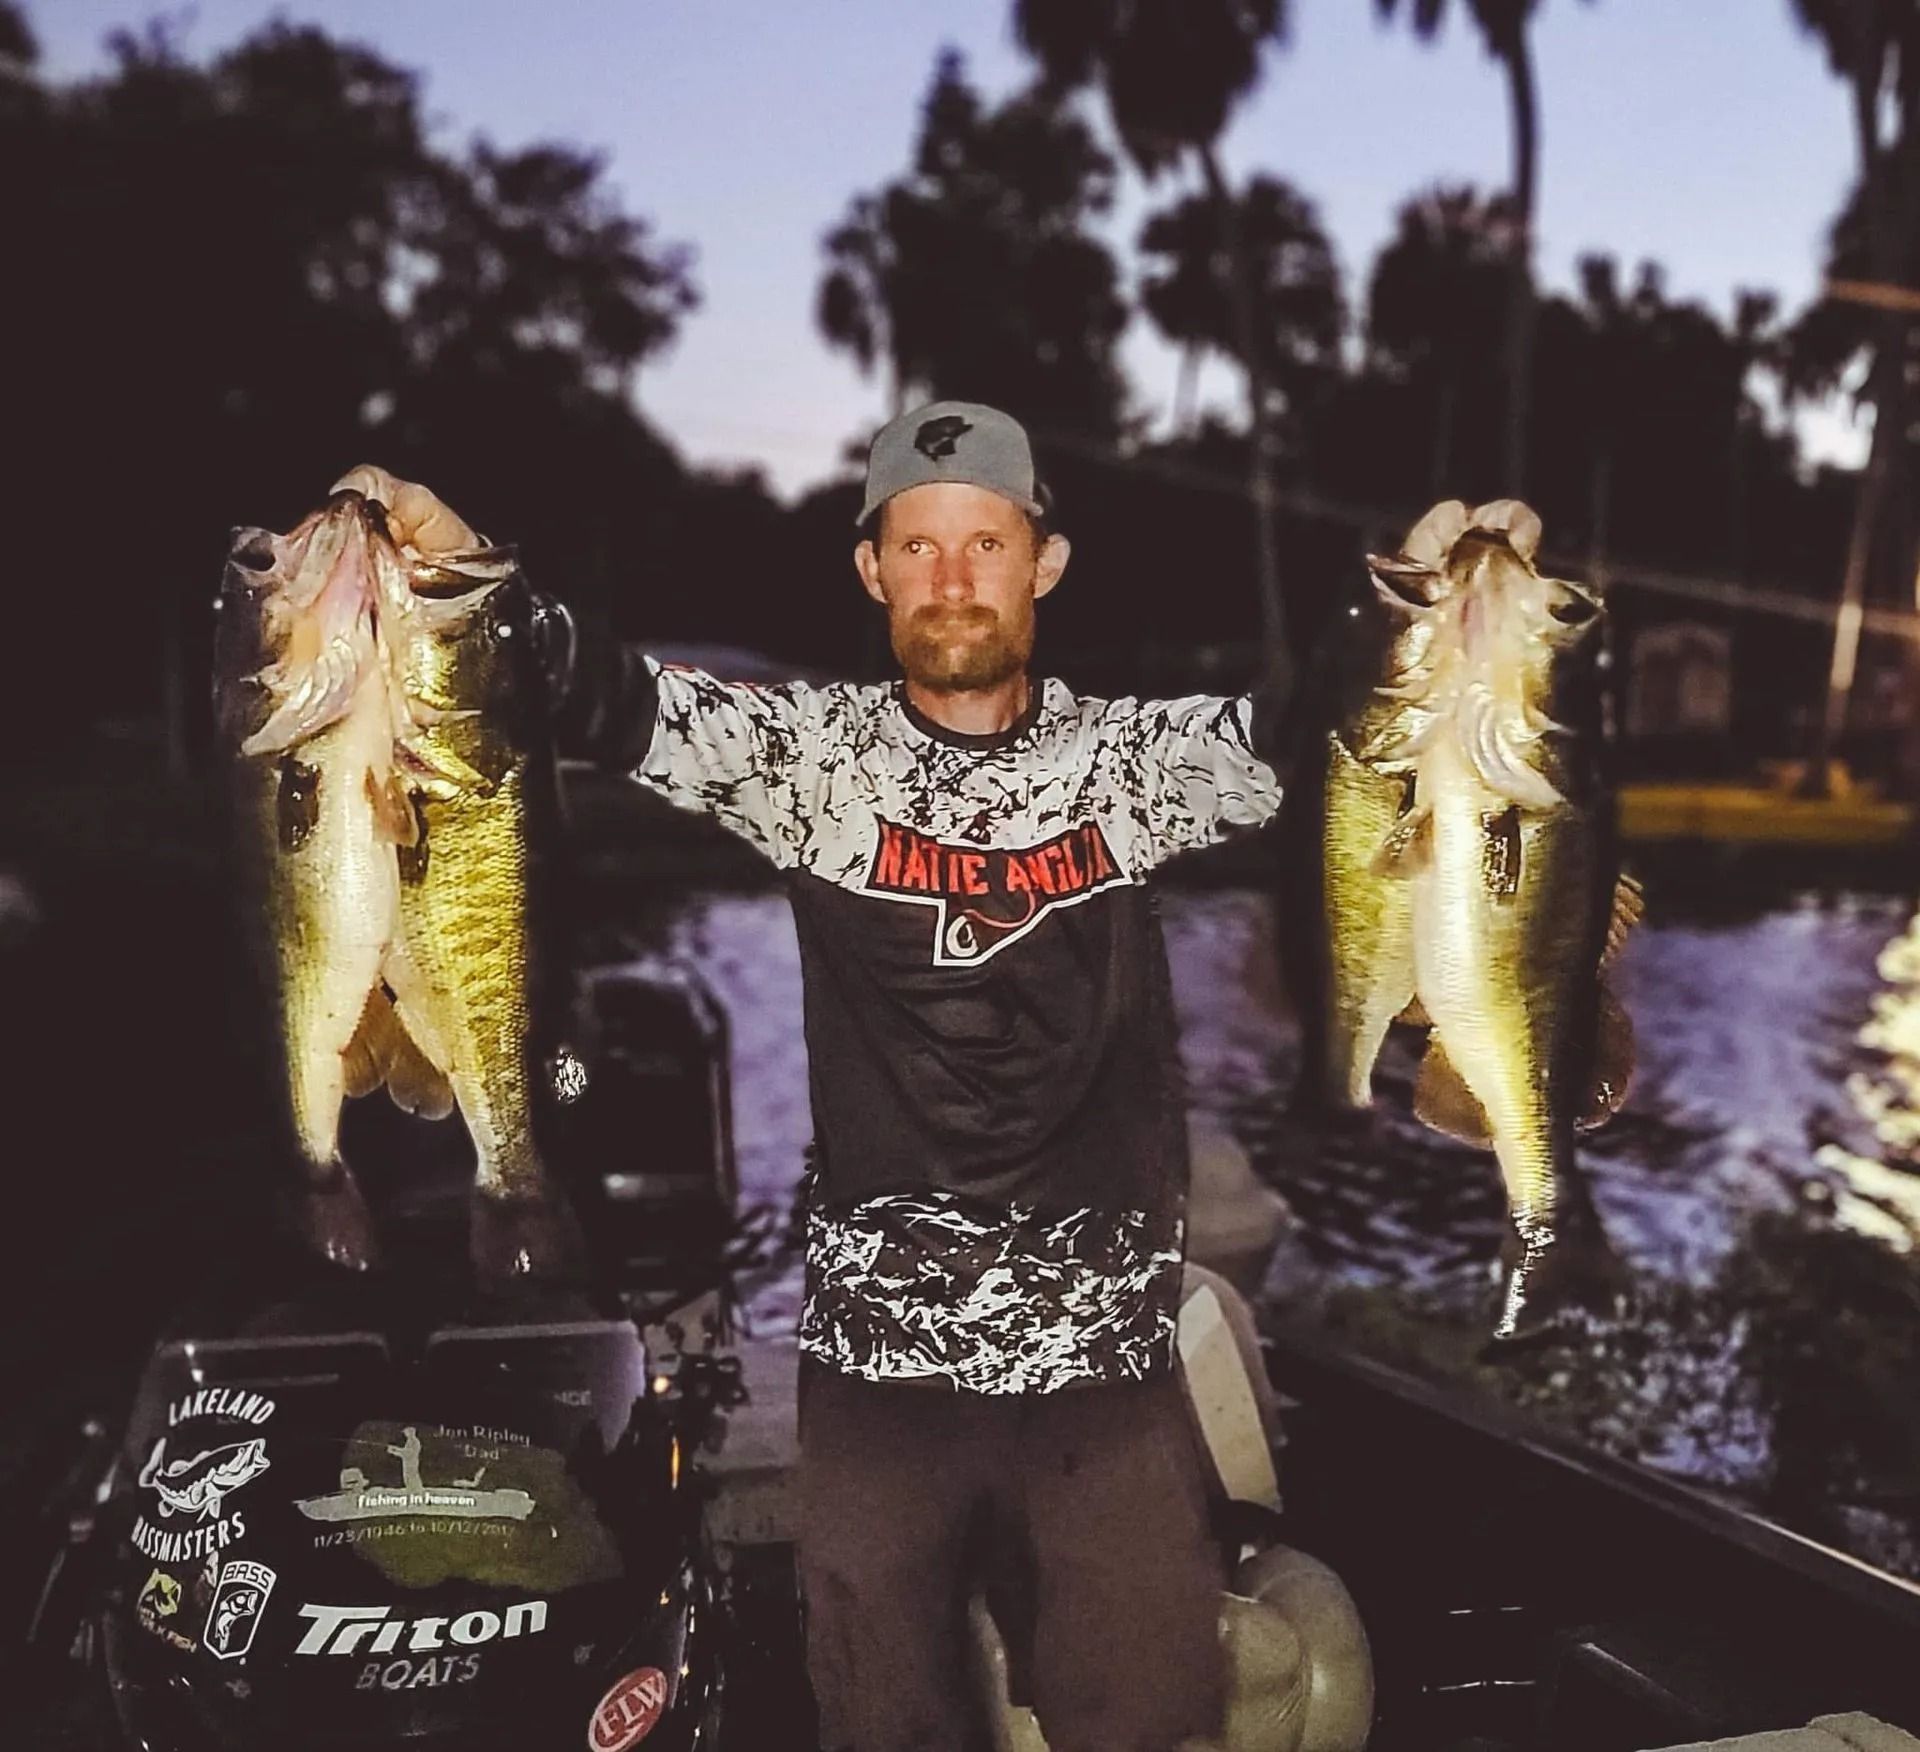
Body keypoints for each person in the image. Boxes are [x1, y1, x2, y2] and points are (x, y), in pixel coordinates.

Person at [337, 399, 1289, 1752]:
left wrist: (1437, 613)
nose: (953, 577)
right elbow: (604, 692)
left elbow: (1323, 726)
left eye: (986, 542)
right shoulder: (810, 762)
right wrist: (463, 567)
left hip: (1107, 1383)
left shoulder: (1134, 768)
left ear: (1044, 563)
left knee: (1146, 1733)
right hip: (879, 1393)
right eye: (919, 545)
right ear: (872, 571)